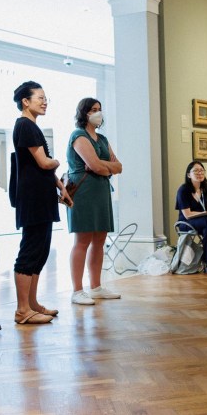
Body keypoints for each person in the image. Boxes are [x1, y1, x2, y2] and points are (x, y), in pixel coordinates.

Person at [9, 81, 70, 324]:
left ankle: (32, 304)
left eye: (46, 98)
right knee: (30, 250)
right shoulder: (25, 125)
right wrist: (56, 160)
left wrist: (61, 186)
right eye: (40, 98)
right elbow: (45, 163)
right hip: (33, 197)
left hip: (42, 196)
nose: (45, 102)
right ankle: (22, 309)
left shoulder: (32, 126)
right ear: (26, 101)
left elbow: (44, 167)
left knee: (41, 251)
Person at [66, 97, 123, 304]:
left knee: (100, 240)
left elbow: (119, 166)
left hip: (100, 192)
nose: (98, 113)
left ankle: (96, 286)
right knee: (82, 241)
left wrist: (101, 164)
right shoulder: (78, 135)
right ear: (84, 113)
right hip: (84, 193)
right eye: (93, 109)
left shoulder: (103, 139)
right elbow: (96, 167)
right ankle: (77, 290)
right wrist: (103, 165)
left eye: (99, 109)